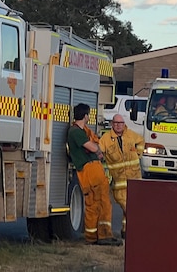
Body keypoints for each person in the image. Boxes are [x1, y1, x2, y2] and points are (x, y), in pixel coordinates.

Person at [67, 102, 122, 246]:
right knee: (103, 202)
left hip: (89, 170)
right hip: (91, 170)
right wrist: (98, 149)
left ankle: (92, 236)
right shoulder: (76, 132)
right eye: (88, 115)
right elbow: (92, 147)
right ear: (85, 116)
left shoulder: (82, 131)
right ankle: (104, 235)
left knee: (93, 203)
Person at [98, 113, 144, 239]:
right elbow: (99, 151)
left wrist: (138, 153)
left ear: (124, 124)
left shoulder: (131, 135)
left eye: (121, 123)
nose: (119, 126)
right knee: (129, 208)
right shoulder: (106, 139)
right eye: (116, 123)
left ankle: (126, 231)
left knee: (132, 206)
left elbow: (141, 141)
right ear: (112, 124)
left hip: (135, 180)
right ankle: (135, 231)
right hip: (119, 183)